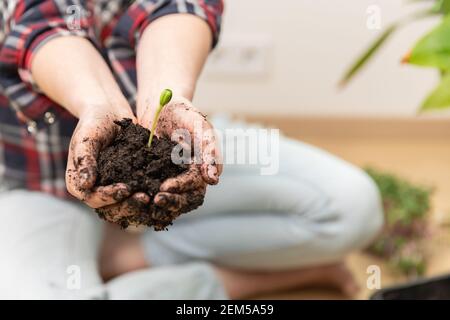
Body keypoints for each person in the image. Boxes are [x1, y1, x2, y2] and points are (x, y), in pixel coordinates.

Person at [0, 0, 384, 299]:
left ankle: (123, 257)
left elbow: (176, 5)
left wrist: (169, 97)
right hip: (38, 186)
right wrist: (96, 104)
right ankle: (249, 280)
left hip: (177, 152)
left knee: (352, 207)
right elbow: (37, 22)